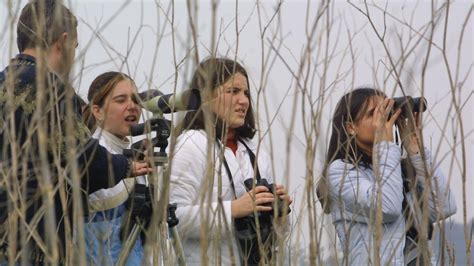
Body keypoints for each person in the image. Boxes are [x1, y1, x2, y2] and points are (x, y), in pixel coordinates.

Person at [0, 1, 150, 264]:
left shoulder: (3, 83)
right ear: (64, 41)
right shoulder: (51, 88)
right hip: (34, 240)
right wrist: (127, 165)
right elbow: (84, 160)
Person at [169, 57, 292, 265]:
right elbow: (173, 220)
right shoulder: (189, 145)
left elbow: (278, 236)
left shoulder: (255, 150)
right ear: (205, 97)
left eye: (246, 93)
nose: (243, 101)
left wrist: (278, 214)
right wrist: (234, 209)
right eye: (232, 92)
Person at [317, 88, 457, 265]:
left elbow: (445, 207)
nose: (383, 120)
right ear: (351, 127)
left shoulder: (398, 167)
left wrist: (416, 152)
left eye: (386, 112)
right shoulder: (340, 172)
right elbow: (387, 208)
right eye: (373, 115)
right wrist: (385, 145)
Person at [82, 72, 146, 265]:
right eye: (121, 100)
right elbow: (104, 202)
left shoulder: (130, 151)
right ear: (97, 111)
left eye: (136, 99)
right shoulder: (93, 156)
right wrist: (131, 171)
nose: (132, 106)